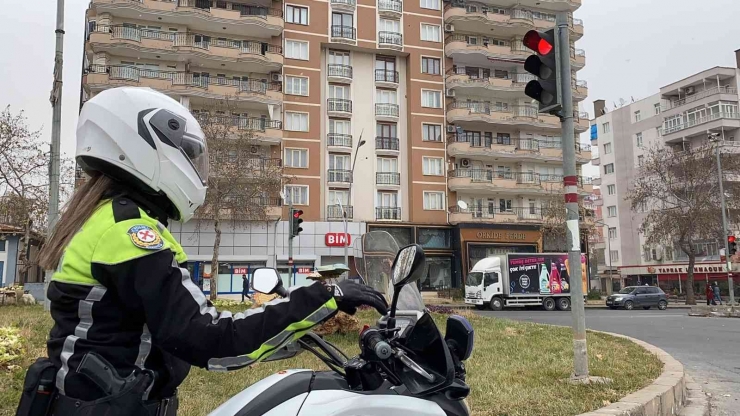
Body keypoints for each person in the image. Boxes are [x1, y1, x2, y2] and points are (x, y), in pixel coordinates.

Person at [32, 87, 387, 415]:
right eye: (188, 153)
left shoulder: (108, 220)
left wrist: (288, 329)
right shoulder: (129, 233)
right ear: (145, 142)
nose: (195, 168)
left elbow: (171, 331)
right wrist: (325, 294)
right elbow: (211, 339)